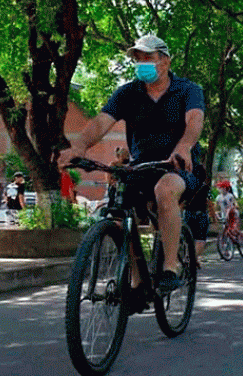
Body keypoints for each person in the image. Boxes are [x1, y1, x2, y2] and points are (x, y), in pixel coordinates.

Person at [58, 34, 205, 309]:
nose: (141, 63)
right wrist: (79, 147)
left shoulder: (188, 90)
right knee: (119, 212)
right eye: (137, 59)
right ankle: (138, 282)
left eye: (147, 57)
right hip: (139, 167)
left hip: (176, 166)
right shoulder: (128, 92)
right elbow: (101, 122)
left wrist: (184, 147)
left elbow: (194, 121)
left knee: (165, 190)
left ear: (165, 61)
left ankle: (170, 267)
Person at [184, 165, 210, 266]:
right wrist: (214, 218)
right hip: (201, 214)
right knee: (200, 239)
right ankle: (193, 258)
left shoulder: (187, 186)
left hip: (188, 214)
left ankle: (189, 257)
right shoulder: (205, 187)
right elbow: (209, 202)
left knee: (188, 238)